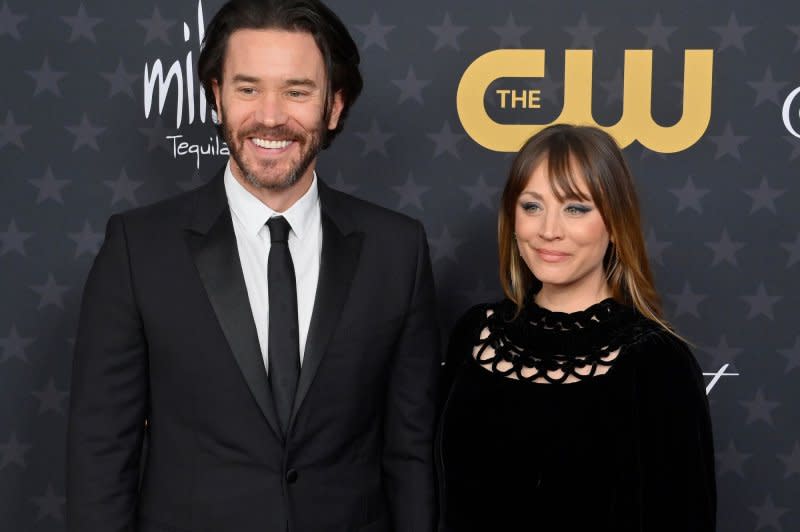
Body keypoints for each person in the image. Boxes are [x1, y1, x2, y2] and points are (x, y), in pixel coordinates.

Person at [67, 1, 440, 531]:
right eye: (247, 89)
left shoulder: (397, 251)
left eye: (296, 91)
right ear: (216, 97)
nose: (270, 115)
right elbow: (101, 452)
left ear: (334, 107)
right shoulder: (138, 249)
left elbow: (411, 452)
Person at [437, 124, 716, 532]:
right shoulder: (474, 331)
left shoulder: (657, 360)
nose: (549, 229)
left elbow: (685, 517)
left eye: (576, 208)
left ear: (615, 221)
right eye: (532, 206)